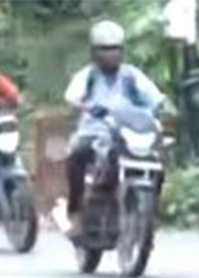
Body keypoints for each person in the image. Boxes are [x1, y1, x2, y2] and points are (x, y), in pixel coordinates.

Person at [63, 20, 165, 238]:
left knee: (158, 165)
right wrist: (84, 105)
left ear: (122, 50)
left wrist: (163, 108)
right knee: (76, 156)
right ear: (94, 52)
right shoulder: (88, 76)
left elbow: (155, 98)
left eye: (115, 49)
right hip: (94, 133)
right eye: (105, 50)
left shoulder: (131, 76)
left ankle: (150, 213)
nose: (111, 55)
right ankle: (76, 213)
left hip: (128, 134)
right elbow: (72, 96)